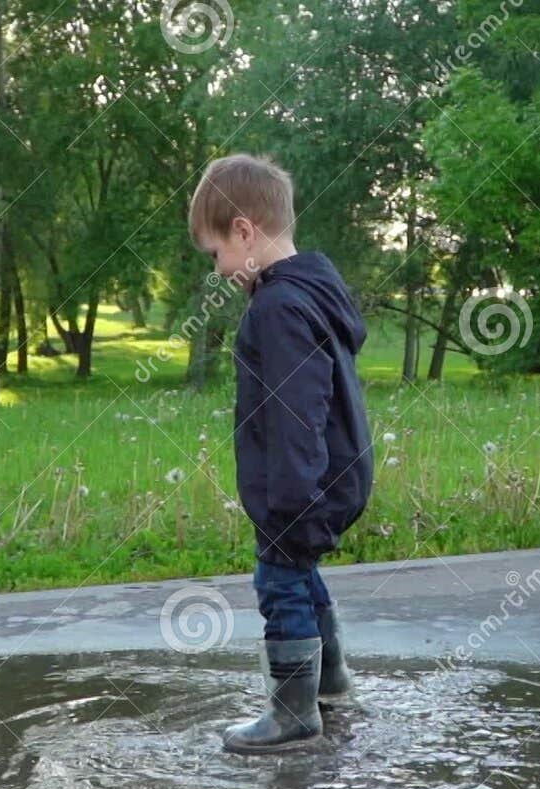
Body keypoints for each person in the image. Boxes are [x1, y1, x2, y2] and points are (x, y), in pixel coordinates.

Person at [187, 153, 374, 754]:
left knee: (279, 579)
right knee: (302, 573)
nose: (218, 270)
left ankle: (293, 715)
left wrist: (289, 501)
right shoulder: (305, 291)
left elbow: (298, 409)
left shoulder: (278, 308)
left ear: (244, 232)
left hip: (302, 482)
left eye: (216, 253)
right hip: (335, 475)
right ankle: (331, 684)